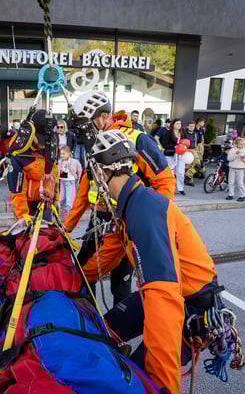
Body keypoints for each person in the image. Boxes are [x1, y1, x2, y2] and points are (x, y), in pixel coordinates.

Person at [89, 130, 221, 393]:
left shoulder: (144, 211)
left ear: (104, 172)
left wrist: (164, 385)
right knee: (100, 332)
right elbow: (108, 254)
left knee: (139, 378)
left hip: (189, 308)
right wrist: (73, 275)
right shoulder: (129, 204)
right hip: (158, 296)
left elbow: (164, 298)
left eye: (95, 175)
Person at [65, 90, 174, 304]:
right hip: (98, 221)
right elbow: (84, 191)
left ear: (104, 117)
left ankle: (118, 324)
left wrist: (152, 223)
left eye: (87, 124)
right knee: (82, 275)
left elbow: (165, 181)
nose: (84, 131)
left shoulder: (137, 139)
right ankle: (90, 319)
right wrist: (66, 227)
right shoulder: (95, 143)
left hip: (127, 223)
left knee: (120, 285)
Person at [7, 109, 59, 224]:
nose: (43, 143)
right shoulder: (20, 155)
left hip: (46, 204)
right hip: (28, 207)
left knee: (47, 234)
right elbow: (17, 191)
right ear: (30, 132)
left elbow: (54, 174)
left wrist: (56, 198)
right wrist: (22, 216)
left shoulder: (51, 147)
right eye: (40, 138)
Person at [160, 119, 186, 195]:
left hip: (180, 155)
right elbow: (164, 144)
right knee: (170, 172)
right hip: (170, 154)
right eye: (177, 123)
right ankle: (169, 188)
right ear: (173, 124)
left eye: (180, 123)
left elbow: (185, 142)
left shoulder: (182, 133)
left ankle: (180, 188)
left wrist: (183, 146)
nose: (179, 125)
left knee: (180, 172)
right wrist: (174, 146)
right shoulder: (168, 133)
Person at [58, 145, 82, 219]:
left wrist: (78, 177)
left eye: (64, 154)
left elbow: (79, 169)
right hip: (62, 181)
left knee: (69, 197)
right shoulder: (60, 161)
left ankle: (69, 212)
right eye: (61, 154)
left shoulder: (74, 161)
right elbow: (58, 170)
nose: (62, 155)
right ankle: (64, 209)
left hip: (70, 181)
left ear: (69, 154)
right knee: (62, 196)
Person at [226, 137, 245, 202]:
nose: (242, 145)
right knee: (231, 182)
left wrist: (243, 158)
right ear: (237, 144)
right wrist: (235, 154)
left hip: (240, 169)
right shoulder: (232, 150)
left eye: (243, 144)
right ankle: (230, 195)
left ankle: (242, 195)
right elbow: (229, 159)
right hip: (232, 168)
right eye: (240, 144)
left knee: (240, 183)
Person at [182, 121, 202, 187]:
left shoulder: (196, 134)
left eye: (193, 126)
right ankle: (190, 181)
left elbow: (198, 142)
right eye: (190, 126)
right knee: (188, 166)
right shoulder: (183, 133)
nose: (192, 127)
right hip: (186, 150)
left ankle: (188, 176)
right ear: (187, 126)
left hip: (194, 150)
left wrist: (198, 151)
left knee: (197, 165)